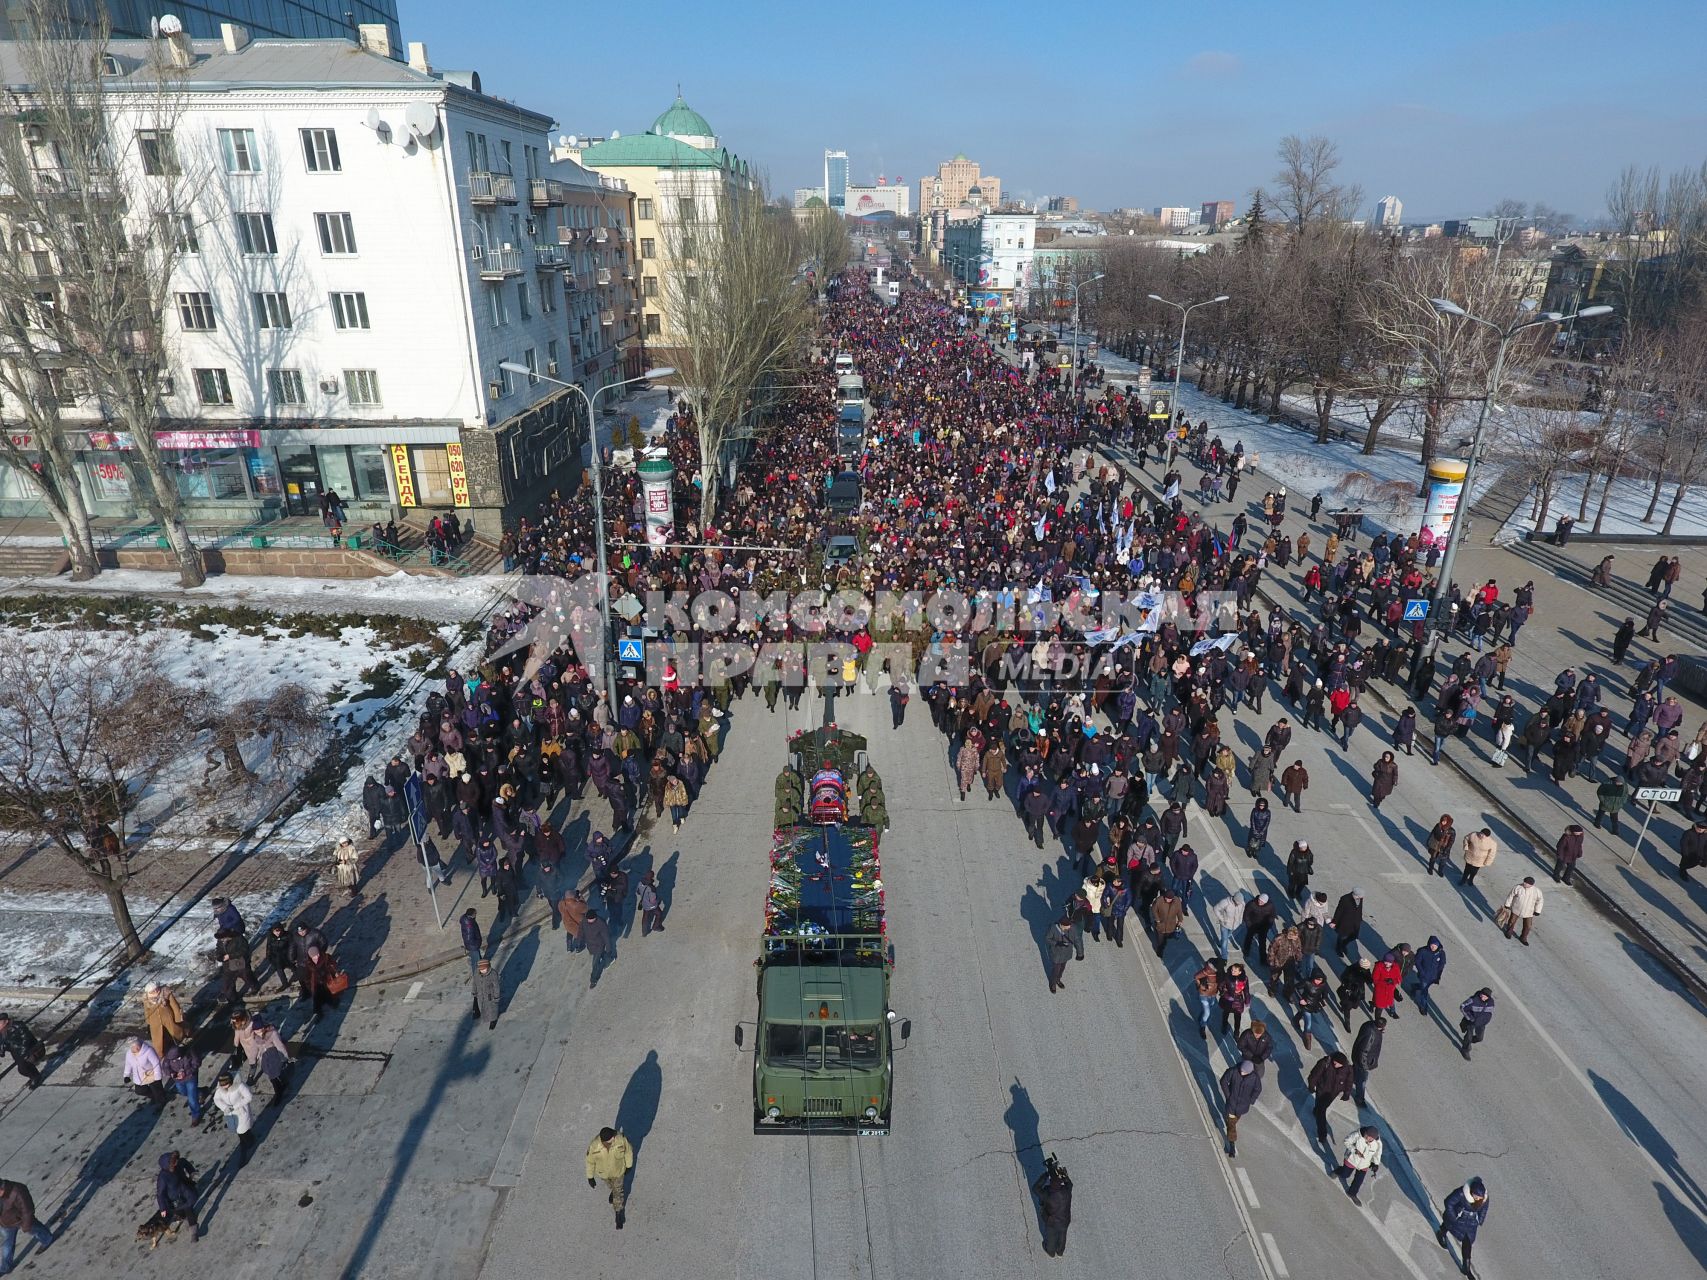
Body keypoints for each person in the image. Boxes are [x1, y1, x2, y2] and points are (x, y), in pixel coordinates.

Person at [231, 1011, 291, 1107]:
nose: (257, 1032)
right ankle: (282, 1085)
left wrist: (285, 1057)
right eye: (255, 1031)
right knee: (273, 1075)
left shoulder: (272, 1033)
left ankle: (278, 1092)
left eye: (259, 1030)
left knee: (275, 1076)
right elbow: (254, 1049)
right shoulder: (255, 1037)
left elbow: (280, 1046)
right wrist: (252, 1060)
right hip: (265, 1060)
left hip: (274, 1058)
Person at [1438, 1177, 1491, 1278]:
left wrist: (1480, 1220)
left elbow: (1484, 1209)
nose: (1478, 1199)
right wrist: (1453, 1217)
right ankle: (1441, 1233)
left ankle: (1466, 1266)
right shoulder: (1461, 1193)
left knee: (1467, 1242)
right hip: (1458, 1217)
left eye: (1480, 1197)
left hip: (1471, 1223)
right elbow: (1449, 1202)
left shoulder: (1484, 1199)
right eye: (1476, 1196)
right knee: (1448, 1225)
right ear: (1471, 1192)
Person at [0, 1177, 54, 1272]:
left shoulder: (18, 1190)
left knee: (37, 1230)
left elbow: (27, 1211)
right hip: (6, 1224)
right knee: (7, 1246)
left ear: (2, 1188)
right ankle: (5, 1268)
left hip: (22, 1220)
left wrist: (26, 1226)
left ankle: (47, 1240)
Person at [586, 1126, 635, 1230]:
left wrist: (629, 1165)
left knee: (618, 1193)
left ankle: (618, 1214)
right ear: (605, 1141)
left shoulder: (620, 1139)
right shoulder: (594, 1147)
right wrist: (590, 1177)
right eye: (612, 1137)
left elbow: (628, 1151)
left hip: (618, 1173)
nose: (614, 1137)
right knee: (612, 1187)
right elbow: (589, 1162)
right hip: (604, 1174)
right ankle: (613, 1192)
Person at [1307, 1050, 1354, 1147]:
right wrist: (1311, 1086)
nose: (1335, 1064)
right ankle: (1322, 1134)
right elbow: (1314, 1075)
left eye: (1339, 1063)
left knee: (1321, 1107)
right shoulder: (1325, 1063)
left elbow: (1349, 1081)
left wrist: (1347, 1093)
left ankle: (1316, 1111)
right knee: (1321, 1112)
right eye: (1335, 1062)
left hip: (1332, 1094)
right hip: (1322, 1090)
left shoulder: (1348, 1069)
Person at [1218, 1058, 1263, 1159]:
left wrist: (1251, 1100)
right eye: (1241, 1070)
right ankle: (1232, 1144)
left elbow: (1257, 1089)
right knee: (1231, 1123)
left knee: (1233, 1121)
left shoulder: (1254, 1078)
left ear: (1249, 1072)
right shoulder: (1234, 1071)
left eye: (1244, 1072)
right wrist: (1228, 1095)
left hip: (1242, 1106)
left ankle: (1230, 1125)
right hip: (1232, 1103)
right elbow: (1223, 1081)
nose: (1241, 1072)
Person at [212, 1070, 258, 1165]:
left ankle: (244, 1152)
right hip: (230, 1114)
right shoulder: (221, 1088)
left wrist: (236, 1106)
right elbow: (216, 1099)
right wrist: (225, 1107)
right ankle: (250, 1139)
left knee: (241, 1133)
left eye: (225, 1085)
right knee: (239, 1131)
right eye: (222, 1085)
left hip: (241, 1112)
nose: (223, 1087)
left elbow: (249, 1097)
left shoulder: (240, 1086)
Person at [153, 1151, 200, 1240]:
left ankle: (194, 1232)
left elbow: (185, 1163)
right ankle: (184, 1218)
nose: (177, 1162)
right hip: (173, 1200)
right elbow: (160, 1194)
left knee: (189, 1210)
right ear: (169, 1165)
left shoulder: (178, 1163)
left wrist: (192, 1172)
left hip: (185, 1192)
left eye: (176, 1160)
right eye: (174, 1162)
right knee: (179, 1213)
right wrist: (163, 1208)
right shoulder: (163, 1177)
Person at [1033, 1155, 1074, 1257]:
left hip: (1052, 1222)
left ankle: (1050, 1251)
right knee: (1062, 1234)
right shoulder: (1067, 1191)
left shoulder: (1047, 1195)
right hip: (1065, 1220)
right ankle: (1060, 1251)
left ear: (1051, 1184)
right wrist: (1064, 1176)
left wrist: (1046, 1174)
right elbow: (1069, 1184)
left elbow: (1036, 1188)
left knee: (1052, 1236)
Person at [1335, 1126, 1384, 1205]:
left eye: (1370, 1138)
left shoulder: (1378, 1144)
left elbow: (1377, 1154)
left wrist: (1376, 1164)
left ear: (1374, 1139)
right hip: (1352, 1159)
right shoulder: (1357, 1135)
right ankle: (1338, 1170)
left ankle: (1352, 1193)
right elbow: (1346, 1141)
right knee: (1345, 1174)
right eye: (1366, 1135)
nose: (1367, 1138)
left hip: (1364, 1164)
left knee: (1359, 1181)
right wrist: (1354, 1150)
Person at [0, 1014, 45, 1089]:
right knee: (22, 1069)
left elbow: (26, 1040)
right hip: (18, 1052)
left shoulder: (18, 1026)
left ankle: (36, 1077)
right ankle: (34, 1074)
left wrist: (9, 1045)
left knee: (23, 1068)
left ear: (6, 1021)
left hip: (33, 1050)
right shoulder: (1, 1032)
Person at [143, 982, 187, 1057]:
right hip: (155, 1022)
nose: (156, 991)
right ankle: (161, 1054)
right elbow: (146, 1010)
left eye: (156, 989)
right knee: (158, 1039)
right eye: (153, 991)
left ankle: (180, 1040)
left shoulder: (165, 993)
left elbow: (174, 1006)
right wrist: (148, 1020)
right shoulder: (146, 999)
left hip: (168, 1019)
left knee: (174, 1032)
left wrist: (178, 1017)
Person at [123, 1035, 168, 1105]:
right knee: (140, 1090)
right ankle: (153, 1096)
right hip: (139, 1075)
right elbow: (128, 1064)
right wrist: (126, 1075)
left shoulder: (148, 1051)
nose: (132, 1049)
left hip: (152, 1073)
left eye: (135, 1047)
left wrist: (157, 1077)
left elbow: (156, 1063)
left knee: (157, 1090)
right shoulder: (129, 1053)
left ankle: (161, 1101)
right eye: (132, 1047)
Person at [1351, 1016, 1386, 1106]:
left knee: (1355, 1073)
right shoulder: (1372, 1035)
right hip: (1363, 1061)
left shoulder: (1368, 1024)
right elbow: (1364, 1051)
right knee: (1362, 1080)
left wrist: (1378, 1031)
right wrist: (1365, 1066)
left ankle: (1347, 1081)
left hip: (1356, 1055)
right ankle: (1359, 1099)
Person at [1500, 876, 1543, 945]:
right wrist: (1507, 904)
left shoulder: (1537, 891)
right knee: (1511, 921)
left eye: (1526, 883)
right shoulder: (1518, 887)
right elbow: (1511, 895)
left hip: (1529, 912)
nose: (1524, 883)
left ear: (1531, 884)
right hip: (1516, 909)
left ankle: (1523, 938)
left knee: (1528, 925)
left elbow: (1540, 901)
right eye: (1524, 882)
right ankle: (1509, 932)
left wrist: (1538, 910)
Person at [1411, 936, 1447, 1014]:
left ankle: (1415, 986)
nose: (1433, 947)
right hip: (1424, 976)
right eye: (1432, 945)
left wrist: (1438, 975)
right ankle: (1423, 1007)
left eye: (1435, 945)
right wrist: (1422, 972)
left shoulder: (1441, 953)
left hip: (1433, 977)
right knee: (1424, 992)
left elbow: (1442, 964)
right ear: (1429, 944)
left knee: (1424, 987)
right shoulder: (1422, 951)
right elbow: (1417, 962)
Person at [1459, 988, 1495, 1061]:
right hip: (1472, 1022)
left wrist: (1486, 1020)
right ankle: (1465, 1050)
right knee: (1469, 1037)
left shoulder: (1491, 1002)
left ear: (1488, 997)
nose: (1482, 996)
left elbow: (1490, 1011)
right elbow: (1462, 1007)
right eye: (1482, 994)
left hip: (1481, 1023)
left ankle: (1466, 1041)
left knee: (1479, 1038)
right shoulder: (1473, 1000)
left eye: (1485, 996)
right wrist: (1470, 1018)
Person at [582, 910, 613, 988]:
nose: (589, 920)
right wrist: (579, 939)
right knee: (602, 954)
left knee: (595, 964)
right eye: (588, 919)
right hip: (590, 945)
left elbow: (606, 938)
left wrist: (608, 948)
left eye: (591, 919)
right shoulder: (584, 921)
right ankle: (609, 959)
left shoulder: (601, 924)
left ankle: (593, 980)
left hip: (598, 946)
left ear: (595, 918)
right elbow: (581, 930)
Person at [1331, 888, 1364, 960]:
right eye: (1360, 896)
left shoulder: (1360, 898)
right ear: (1355, 895)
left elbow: (1360, 908)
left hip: (1355, 922)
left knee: (1354, 936)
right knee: (1342, 936)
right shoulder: (1345, 899)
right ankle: (1338, 947)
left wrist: (1360, 918)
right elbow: (1338, 911)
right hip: (1345, 922)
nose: (1361, 898)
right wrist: (1334, 922)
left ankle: (1343, 945)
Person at [1045, 915, 1075, 993]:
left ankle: (1058, 979)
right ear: (1062, 925)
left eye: (1069, 925)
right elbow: (1047, 939)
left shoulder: (1071, 927)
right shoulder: (1053, 928)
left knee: (1062, 968)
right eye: (1067, 926)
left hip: (1066, 953)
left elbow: (1076, 938)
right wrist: (1057, 943)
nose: (1069, 927)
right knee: (1056, 970)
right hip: (1057, 954)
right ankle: (1053, 984)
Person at [472, 957, 501, 1030]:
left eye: (484, 969)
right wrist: (474, 992)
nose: (483, 971)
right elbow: (474, 983)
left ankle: (493, 1021)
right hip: (481, 995)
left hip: (490, 996)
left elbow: (496, 986)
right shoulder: (476, 973)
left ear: (488, 967)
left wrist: (496, 996)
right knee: (484, 1008)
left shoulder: (493, 974)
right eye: (481, 969)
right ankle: (486, 1017)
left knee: (492, 1010)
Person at [460, 907, 484, 978]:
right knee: (476, 963)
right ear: (472, 915)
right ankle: (477, 976)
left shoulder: (467, 919)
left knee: (478, 958)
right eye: (475, 913)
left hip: (473, 945)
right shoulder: (469, 926)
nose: (476, 914)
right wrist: (476, 944)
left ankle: (482, 967)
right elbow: (469, 938)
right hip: (473, 946)